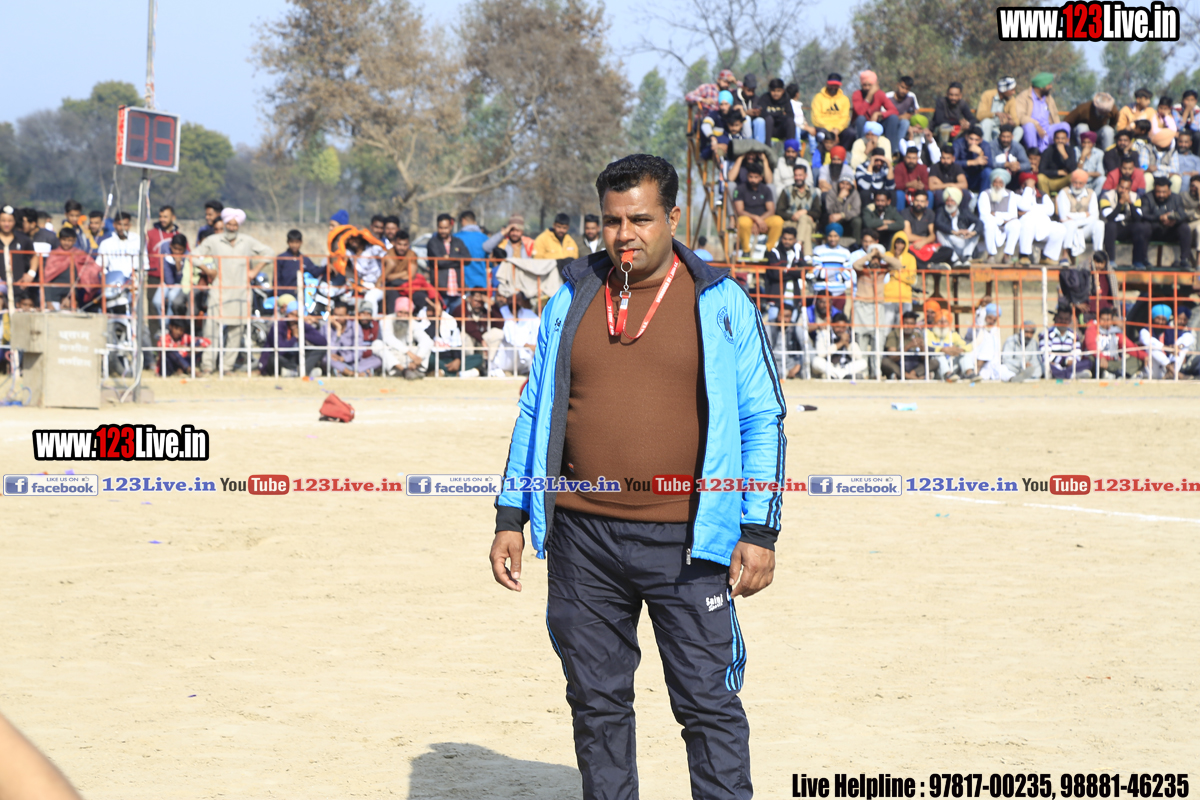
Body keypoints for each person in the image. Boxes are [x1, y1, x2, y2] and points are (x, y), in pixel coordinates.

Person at [491, 154, 783, 800]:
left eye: (641, 219)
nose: (625, 235)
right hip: (581, 538)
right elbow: (535, 410)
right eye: (612, 220)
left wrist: (759, 529)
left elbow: (762, 418)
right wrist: (512, 514)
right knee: (596, 703)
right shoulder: (571, 297)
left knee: (708, 703)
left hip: (691, 541)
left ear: (673, 218)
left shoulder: (720, 301)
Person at [192, 208, 276, 375]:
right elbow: (194, 255)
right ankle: (208, 365)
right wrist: (208, 271)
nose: (231, 227)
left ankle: (227, 367)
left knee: (236, 332)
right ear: (224, 224)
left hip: (241, 292)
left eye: (234, 225)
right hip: (219, 291)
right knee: (211, 329)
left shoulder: (247, 241)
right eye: (229, 224)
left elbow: (269, 253)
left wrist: (255, 271)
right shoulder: (214, 240)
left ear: (238, 225)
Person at [761, 227, 807, 376]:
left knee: (792, 332)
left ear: (794, 239)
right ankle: (769, 366)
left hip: (793, 301)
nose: (787, 241)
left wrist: (787, 271)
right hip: (776, 300)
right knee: (772, 333)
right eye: (785, 238)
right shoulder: (774, 252)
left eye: (790, 239)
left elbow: (804, 270)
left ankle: (796, 366)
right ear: (781, 238)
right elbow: (776, 273)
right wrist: (794, 271)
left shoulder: (798, 252)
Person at [256, 296, 328, 377]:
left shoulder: (301, 324)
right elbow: (280, 350)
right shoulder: (279, 325)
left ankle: (299, 371)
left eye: (297, 316)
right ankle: (300, 372)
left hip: (295, 358)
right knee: (274, 358)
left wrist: (303, 335)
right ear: (287, 314)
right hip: (282, 358)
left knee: (320, 349)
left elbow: (323, 342)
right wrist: (294, 338)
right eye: (292, 314)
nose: (294, 318)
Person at [1139, 176, 1195, 269]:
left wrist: (1173, 219)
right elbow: (1143, 214)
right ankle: (1143, 259)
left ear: (1169, 191)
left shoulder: (1176, 198)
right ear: (1154, 190)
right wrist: (1160, 218)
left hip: (1170, 231)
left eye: (1164, 192)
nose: (1161, 195)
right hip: (1153, 231)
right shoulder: (1147, 197)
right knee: (1144, 226)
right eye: (1158, 192)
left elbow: (1182, 214)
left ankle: (1184, 260)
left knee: (1184, 227)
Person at [39, 226, 102, 310]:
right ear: (59, 239)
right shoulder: (54, 254)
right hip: (54, 291)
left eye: (69, 240)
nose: (66, 243)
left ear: (74, 241)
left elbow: (91, 267)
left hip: (72, 291)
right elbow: (47, 276)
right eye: (64, 240)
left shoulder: (79, 254)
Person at [1015, 172, 1066, 266]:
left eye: (1032, 183)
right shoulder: (1017, 194)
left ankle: (1047, 257)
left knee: (1060, 228)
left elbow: (1050, 210)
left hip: (1043, 224)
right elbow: (1023, 206)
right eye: (1028, 183)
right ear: (1023, 184)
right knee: (1027, 222)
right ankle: (1024, 256)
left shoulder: (1041, 194)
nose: (1031, 186)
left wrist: (1030, 209)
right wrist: (1028, 189)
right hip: (1026, 225)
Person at [733, 162, 783, 256]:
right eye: (751, 177)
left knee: (778, 221)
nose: (753, 180)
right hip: (748, 220)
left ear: (761, 178)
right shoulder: (740, 189)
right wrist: (756, 219)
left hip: (763, 221)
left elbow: (771, 210)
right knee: (742, 222)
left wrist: (759, 221)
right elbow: (740, 211)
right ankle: (746, 251)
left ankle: (769, 250)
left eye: (756, 177)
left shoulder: (766, 189)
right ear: (747, 176)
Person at [1056, 169, 1104, 265]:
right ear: (1071, 181)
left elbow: (1094, 216)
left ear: (1085, 183)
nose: (1077, 186)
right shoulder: (1064, 192)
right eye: (1075, 183)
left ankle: (1098, 256)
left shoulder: (1091, 193)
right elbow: (1064, 216)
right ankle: (1065, 256)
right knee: (1070, 224)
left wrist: (1074, 219)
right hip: (1068, 228)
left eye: (1080, 183)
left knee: (1099, 224)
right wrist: (1084, 215)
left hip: (1084, 229)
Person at [1012, 72, 1068, 151]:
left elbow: (1055, 116)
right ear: (1041, 86)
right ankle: (1033, 153)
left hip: (1048, 129)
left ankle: (1065, 153)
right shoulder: (1023, 96)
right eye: (1049, 84)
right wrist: (1037, 125)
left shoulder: (1048, 98)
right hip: (1033, 129)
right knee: (1029, 126)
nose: (1051, 86)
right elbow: (1021, 116)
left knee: (1065, 126)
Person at [489, 289, 540, 376]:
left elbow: (539, 327)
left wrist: (536, 346)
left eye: (518, 300)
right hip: (506, 356)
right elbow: (509, 337)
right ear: (507, 300)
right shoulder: (502, 312)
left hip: (526, 356)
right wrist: (527, 345)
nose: (514, 302)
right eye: (511, 300)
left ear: (522, 301)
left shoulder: (528, 314)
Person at [1138, 304, 1194, 378]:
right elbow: (1147, 340)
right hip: (1153, 369)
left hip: (1166, 369)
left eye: (1163, 319)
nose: (1160, 322)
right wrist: (1166, 347)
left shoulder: (1171, 330)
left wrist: (1178, 347)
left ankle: (1171, 371)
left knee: (1182, 345)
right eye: (1158, 318)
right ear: (1153, 318)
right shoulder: (1145, 330)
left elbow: (1188, 337)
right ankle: (1173, 371)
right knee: (1152, 347)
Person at [1101, 175, 1147, 266]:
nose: (1124, 191)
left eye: (1127, 189)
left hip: (1127, 226)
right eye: (1122, 187)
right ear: (1117, 186)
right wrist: (1120, 203)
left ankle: (1137, 261)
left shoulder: (1136, 197)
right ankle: (1110, 261)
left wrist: (1130, 203)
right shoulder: (1106, 196)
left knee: (1139, 227)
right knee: (1110, 226)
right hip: (1113, 228)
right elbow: (1109, 218)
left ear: (1130, 189)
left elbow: (1138, 218)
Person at [977, 168, 1021, 264]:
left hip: (1005, 225)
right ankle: (991, 255)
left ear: (1004, 184)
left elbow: (1013, 215)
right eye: (995, 182)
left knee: (1016, 224)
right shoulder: (985, 194)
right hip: (991, 224)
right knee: (989, 223)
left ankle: (1007, 255)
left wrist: (996, 214)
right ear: (992, 183)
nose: (997, 185)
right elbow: (985, 215)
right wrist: (1003, 220)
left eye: (1000, 182)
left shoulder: (1010, 194)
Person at [808, 223, 856, 309]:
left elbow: (847, 276)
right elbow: (817, 273)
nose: (832, 239)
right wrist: (838, 269)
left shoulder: (845, 252)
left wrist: (826, 270)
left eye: (835, 236)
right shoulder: (818, 250)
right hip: (821, 293)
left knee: (838, 316)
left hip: (839, 293)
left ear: (839, 236)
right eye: (830, 236)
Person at [776, 163, 821, 255]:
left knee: (804, 218)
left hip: (808, 221)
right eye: (796, 175)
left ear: (805, 176)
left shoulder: (813, 192)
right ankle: (807, 256)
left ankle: (798, 244)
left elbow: (818, 213)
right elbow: (779, 211)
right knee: (806, 226)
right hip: (791, 223)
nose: (798, 178)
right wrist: (793, 216)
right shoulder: (787, 190)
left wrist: (805, 212)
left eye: (800, 175)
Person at [1085, 306, 1141, 378]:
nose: (1105, 322)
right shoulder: (1092, 329)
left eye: (1108, 320)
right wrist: (1101, 357)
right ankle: (1119, 374)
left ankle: (1117, 374)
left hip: (1113, 361)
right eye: (1103, 319)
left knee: (1138, 360)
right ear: (1098, 319)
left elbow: (1130, 347)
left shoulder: (1116, 332)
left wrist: (1145, 356)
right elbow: (1091, 345)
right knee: (1092, 358)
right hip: (1099, 360)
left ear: (1111, 321)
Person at [851, 70, 900, 150]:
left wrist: (879, 113)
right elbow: (860, 113)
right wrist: (869, 96)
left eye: (869, 85)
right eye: (864, 85)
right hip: (862, 125)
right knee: (860, 118)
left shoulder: (880, 94)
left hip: (876, 124)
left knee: (893, 118)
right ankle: (862, 148)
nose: (867, 88)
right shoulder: (857, 94)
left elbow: (894, 111)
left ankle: (892, 151)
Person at [811, 310, 867, 379]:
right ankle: (841, 375)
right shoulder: (824, 334)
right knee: (816, 361)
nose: (841, 330)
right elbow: (820, 354)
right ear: (832, 325)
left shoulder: (850, 334)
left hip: (845, 367)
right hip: (830, 366)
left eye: (843, 327)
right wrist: (840, 343)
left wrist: (847, 344)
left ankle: (837, 375)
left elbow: (858, 356)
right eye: (838, 327)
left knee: (863, 362)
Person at [934, 186, 981, 266]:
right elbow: (938, 223)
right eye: (947, 201)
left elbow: (979, 223)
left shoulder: (963, 211)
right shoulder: (941, 211)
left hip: (964, 239)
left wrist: (971, 233)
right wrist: (954, 232)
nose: (949, 203)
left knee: (976, 229)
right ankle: (954, 259)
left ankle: (967, 256)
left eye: (952, 201)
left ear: (957, 202)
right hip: (951, 241)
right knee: (939, 232)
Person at [925, 309, 975, 381]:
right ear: (935, 322)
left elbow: (968, 345)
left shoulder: (953, 334)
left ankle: (970, 374)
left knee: (964, 355)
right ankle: (948, 374)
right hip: (937, 367)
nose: (942, 324)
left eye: (945, 321)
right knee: (940, 355)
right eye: (940, 321)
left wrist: (959, 349)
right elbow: (927, 347)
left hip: (952, 365)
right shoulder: (929, 333)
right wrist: (942, 349)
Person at [1041, 309, 1092, 378]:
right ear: (1056, 318)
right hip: (1054, 365)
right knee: (1045, 365)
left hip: (1070, 366)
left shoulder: (1074, 335)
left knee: (1088, 363)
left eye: (1066, 319)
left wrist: (1071, 361)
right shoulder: (1046, 334)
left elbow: (1077, 353)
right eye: (1061, 318)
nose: (1063, 321)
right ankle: (1071, 375)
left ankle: (1064, 375)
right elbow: (1046, 355)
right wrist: (1065, 361)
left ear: (1070, 320)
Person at [811, 73, 854, 150]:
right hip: (824, 128)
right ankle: (821, 154)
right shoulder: (818, 97)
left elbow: (845, 118)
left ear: (839, 86)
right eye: (831, 85)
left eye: (836, 85)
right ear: (827, 84)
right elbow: (816, 118)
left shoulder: (844, 99)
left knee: (851, 133)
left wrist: (837, 130)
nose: (833, 87)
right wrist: (830, 129)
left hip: (839, 129)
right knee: (822, 134)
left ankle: (840, 153)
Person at [0, 205, 36, 298]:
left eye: (10, 221)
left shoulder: (23, 239)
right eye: (3, 220)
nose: (6, 224)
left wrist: (31, 274)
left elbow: (34, 256)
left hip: (19, 290)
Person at [881, 310, 927, 379]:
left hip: (914, 365)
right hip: (899, 365)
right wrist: (908, 346)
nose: (908, 326)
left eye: (911, 324)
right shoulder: (894, 334)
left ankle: (912, 375)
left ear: (915, 325)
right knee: (885, 362)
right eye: (906, 323)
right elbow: (892, 357)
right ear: (901, 323)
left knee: (934, 362)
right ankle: (909, 376)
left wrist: (922, 348)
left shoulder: (917, 335)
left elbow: (924, 359)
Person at [930, 81, 978, 147]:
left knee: (977, 127)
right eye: (951, 95)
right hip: (940, 130)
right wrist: (958, 122)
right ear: (947, 94)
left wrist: (968, 124)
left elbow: (972, 119)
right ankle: (944, 150)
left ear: (960, 96)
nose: (953, 98)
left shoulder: (962, 103)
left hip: (956, 129)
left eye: (956, 95)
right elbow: (939, 120)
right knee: (945, 127)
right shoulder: (941, 102)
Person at [953, 125, 994, 195]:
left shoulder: (985, 145)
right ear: (966, 137)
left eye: (976, 140)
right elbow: (952, 162)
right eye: (971, 139)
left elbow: (990, 164)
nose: (973, 142)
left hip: (977, 176)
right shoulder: (958, 143)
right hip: (961, 175)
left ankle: (983, 196)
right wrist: (972, 162)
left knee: (988, 172)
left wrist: (981, 153)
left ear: (981, 140)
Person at [754, 77, 796, 143]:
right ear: (769, 90)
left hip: (781, 129)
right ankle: (767, 147)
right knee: (769, 119)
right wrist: (781, 114)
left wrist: (772, 114)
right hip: (768, 129)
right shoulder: (765, 98)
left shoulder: (786, 98)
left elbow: (790, 115)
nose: (776, 93)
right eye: (773, 90)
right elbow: (761, 113)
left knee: (790, 122)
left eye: (778, 91)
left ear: (783, 91)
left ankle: (790, 147)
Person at [823, 176, 862, 246]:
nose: (844, 186)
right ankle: (831, 243)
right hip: (835, 219)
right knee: (830, 217)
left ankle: (856, 245)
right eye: (842, 183)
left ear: (851, 186)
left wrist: (842, 215)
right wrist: (839, 198)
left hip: (848, 220)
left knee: (857, 221)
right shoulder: (832, 192)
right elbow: (830, 210)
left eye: (847, 184)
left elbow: (856, 211)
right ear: (839, 184)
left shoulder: (855, 193)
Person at [456, 210, 491, 288]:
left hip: (461, 283)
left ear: (463, 220)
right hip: (480, 283)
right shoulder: (484, 238)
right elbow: (490, 261)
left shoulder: (455, 238)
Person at [976, 76, 1017, 143]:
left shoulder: (1011, 99)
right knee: (987, 122)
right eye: (1012, 90)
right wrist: (995, 114)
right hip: (986, 127)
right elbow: (979, 115)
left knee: (1019, 130)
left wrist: (1012, 122)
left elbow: (1016, 119)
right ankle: (986, 146)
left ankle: (1008, 147)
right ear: (1004, 89)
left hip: (1001, 128)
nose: (1013, 93)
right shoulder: (987, 95)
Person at [1039, 127, 1077, 195]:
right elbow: (1041, 170)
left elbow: (1073, 169)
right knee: (1040, 177)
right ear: (1054, 139)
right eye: (1058, 138)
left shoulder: (1071, 150)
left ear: (1067, 140)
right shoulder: (1048, 151)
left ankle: (1071, 198)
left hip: (1064, 181)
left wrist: (1064, 154)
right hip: (1050, 180)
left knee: (1074, 175)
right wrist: (1057, 172)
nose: (1060, 141)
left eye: (1062, 138)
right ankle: (1046, 199)